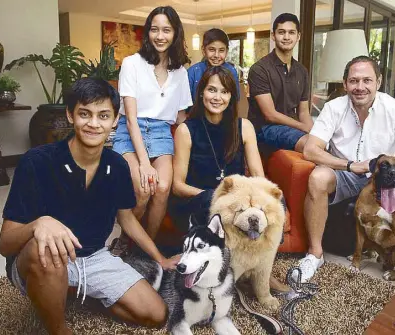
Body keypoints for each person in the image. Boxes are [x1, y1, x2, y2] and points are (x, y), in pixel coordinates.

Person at [0, 78, 180, 335]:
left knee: (156, 314)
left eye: (103, 115)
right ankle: (58, 328)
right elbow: (4, 244)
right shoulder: (36, 162)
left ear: (115, 120)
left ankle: (78, 290)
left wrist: (161, 259)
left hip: (94, 257)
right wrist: (39, 224)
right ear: (71, 115)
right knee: (46, 247)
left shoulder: (117, 165)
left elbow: (127, 220)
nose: (94, 124)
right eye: (85, 114)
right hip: (43, 257)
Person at [297, 55, 395, 282]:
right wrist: (349, 165)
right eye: (354, 81)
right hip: (345, 173)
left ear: (378, 82)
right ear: (345, 83)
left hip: (386, 175)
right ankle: (315, 253)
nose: (360, 87)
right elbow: (311, 150)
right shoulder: (333, 108)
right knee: (318, 177)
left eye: (367, 80)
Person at [169, 66, 290, 293]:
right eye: (211, 90)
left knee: (273, 206)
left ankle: (261, 272)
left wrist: (271, 203)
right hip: (197, 200)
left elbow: (258, 175)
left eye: (224, 92)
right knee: (212, 205)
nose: (217, 97)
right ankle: (219, 279)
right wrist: (217, 199)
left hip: (236, 202)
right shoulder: (187, 130)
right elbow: (177, 186)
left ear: (232, 96)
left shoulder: (244, 127)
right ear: (201, 93)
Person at [112, 6, 192, 247]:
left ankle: (147, 247)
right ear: (147, 33)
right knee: (143, 188)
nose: (160, 36)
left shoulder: (180, 72)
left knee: (163, 186)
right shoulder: (131, 64)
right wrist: (145, 163)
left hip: (161, 133)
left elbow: (181, 119)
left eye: (166, 30)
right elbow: (132, 118)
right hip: (130, 131)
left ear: (176, 33)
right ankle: (126, 241)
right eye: (154, 29)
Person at [248, 13, 314, 153]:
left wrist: (314, 132)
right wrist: (303, 128)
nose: (286, 37)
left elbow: (303, 112)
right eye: (281, 32)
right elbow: (270, 114)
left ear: (298, 36)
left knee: (321, 142)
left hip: (292, 129)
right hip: (265, 129)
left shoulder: (302, 71)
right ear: (273, 35)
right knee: (311, 145)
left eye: (291, 32)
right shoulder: (259, 69)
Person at [187, 28, 240, 104]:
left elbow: (235, 100)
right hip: (195, 114)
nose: (216, 55)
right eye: (212, 49)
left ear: (227, 51)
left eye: (221, 50)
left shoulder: (231, 71)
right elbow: (185, 103)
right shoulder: (193, 71)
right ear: (203, 50)